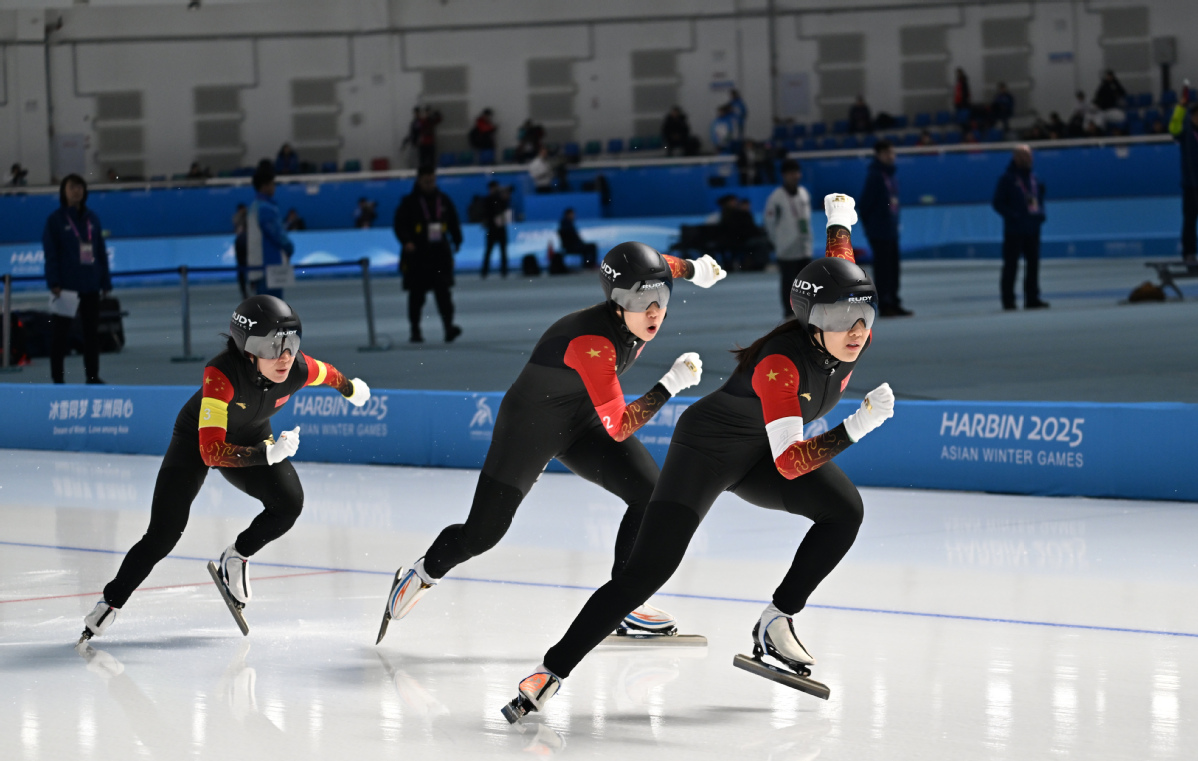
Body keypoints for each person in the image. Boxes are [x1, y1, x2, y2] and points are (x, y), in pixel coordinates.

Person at [500, 195, 895, 720]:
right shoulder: (782, 366)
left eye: (864, 314)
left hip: (760, 454)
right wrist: (860, 423)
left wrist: (839, 223)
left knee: (845, 511)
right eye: (844, 318)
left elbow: (840, 272)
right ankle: (550, 671)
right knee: (646, 572)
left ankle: (777, 620)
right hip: (708, 450)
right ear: (811, 320)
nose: (858, 330)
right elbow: (791, 463)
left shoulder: (843, 327)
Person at [377, 243, 728, 645]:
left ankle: (624, 605)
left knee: (650, 495)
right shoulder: (591, 343)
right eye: (641, 300)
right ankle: (422, 574)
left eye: (661, 298)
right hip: (529, 428)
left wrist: (694, 269)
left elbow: (663, 267)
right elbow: (617, 426)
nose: (653, 311)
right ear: (616, 303)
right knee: (482, 534)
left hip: (580, 421)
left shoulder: (640, 290)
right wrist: (670, 384)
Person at [77, 295, 372, 644]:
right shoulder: (221, 374)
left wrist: (351, 389)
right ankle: (111, 603)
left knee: (289, 504)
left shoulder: (299, 368)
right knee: (164, 533)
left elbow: (331, 374)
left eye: (292, 342)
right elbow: (212, 452)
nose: (285, 355)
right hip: (196, 443)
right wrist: (267, 456)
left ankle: (237, 556)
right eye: (273, 344)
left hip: (253, 436)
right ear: (247, 348)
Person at [43, 174, 111, 385]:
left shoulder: (93, 218)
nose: (76, 191)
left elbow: (100, 251)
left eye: (80, 187)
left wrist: (105, 282)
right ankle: (57, 379)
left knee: (91, 335)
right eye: (72, 187)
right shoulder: (55, 220)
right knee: (60, 337)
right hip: (65, 289)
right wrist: (54, 282)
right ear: (64, 191)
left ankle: (92, 377)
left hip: (90, 285)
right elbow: (51, 253)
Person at [394, 165, 463, 343]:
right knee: (416, 296)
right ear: (419, 180)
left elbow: (454, 222)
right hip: (417, 255)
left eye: (432, 180)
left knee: (444, 295)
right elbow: (399, 225)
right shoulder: (409, 202)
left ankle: (448, 328)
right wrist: (406, 241)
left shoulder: (444, 200)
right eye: (426, 181)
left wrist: (457, 240)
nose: (429, 184)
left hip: (440, 255)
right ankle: (415, 330)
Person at [992, 144, 1048, 309]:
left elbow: (1039, 199)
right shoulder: (1007, 179)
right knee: (1011, 265)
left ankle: (1032, 298)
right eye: (1026, 156)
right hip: (1014, 230)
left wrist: (1041, 214)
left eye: (1030, 156)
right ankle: (1008, 300)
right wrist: (1013, 216)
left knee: (1033, 265)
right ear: (1016, 158)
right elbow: (997, 203)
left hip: (1032, 228)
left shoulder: (1034, 178)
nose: (1029, 159)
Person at [859, 141, 911, 317]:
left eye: (892, 153)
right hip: (880, 231)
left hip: (891, 229)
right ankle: (885, 304)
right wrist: (872, 227)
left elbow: (891, 203)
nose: (891, 156)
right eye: (888, 153)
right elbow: (865, 205)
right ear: (879, 155)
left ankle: (894, 301)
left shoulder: (891, 177)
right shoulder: (875, 176)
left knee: (894, 269)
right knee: (883, 271)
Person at [764, 159, 813, 319]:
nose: (795, 176)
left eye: (797, 172)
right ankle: (789, 312)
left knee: (806, 281)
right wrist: (778, 241)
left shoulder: (804, 193)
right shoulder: (776, 198)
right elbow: (770, 223)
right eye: (792, 173)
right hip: (786, 246)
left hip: (803, 244)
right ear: (784, 175)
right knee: (788, 281)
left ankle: (806, 310)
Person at [245, 162, 295, 299]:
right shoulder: (266, 208)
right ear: (265, 185)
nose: (274, 187)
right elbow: (276, 234)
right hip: (269, 267)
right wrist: (289, 247)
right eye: (272, 184)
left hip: (257, 267)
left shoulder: (253, 208)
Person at [1169, 94, 1198, 263]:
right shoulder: (1184, 133)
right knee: (1190, 220)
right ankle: (1189, 253)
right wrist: (1181, 107)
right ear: (1192, 116)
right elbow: (1173, 127)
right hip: (1191, 185)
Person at [481, 181, 511, 278]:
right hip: (492, 229)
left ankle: (504, 271)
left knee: (503, 251)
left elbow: (505, 209)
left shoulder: (501, 199)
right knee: (489, 251)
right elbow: (486, 213)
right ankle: (484, 271)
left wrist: (505, 197)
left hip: (501, 228)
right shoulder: (487, 200)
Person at [232, 203, 250, 299]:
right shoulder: (236, 217)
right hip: (241, 242)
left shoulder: (250, 216)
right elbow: (236, 224)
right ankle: (244, 292)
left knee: (251, 266)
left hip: (249, 242)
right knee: (241, 268)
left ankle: (252, 287)